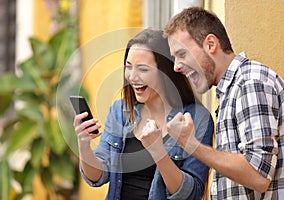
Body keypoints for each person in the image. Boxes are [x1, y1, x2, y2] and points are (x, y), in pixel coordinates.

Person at [73, 28, 214, 200]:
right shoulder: (121, 111)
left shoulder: (197, 119)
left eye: (143, 69)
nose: (132, 77)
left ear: (165, 71)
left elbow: (190, 193)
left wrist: (157, 151)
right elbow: (97, 176)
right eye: (129, 67)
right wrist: (84, 145)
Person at [164, 6, 284, 199]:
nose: (176, 67)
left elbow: (258, 174)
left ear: (211, 44)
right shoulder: (231, 90)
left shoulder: (250, 82)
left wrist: (190, 144)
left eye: (182, 54)